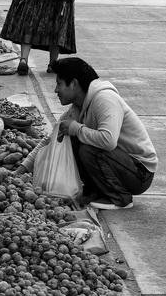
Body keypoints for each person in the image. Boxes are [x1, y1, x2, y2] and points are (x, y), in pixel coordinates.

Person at [16, 57, 158, 210]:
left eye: (59, 84)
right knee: (71, 140)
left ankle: (120, 198)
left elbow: (109, 141)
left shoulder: (105, 99)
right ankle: (97, 191)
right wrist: (21, 170)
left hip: (140, 173)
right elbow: (50, 140)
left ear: (74, 84)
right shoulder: (78, 106)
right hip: (120, 166)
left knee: (87, 147)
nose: (56, 90)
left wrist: (76, 128)